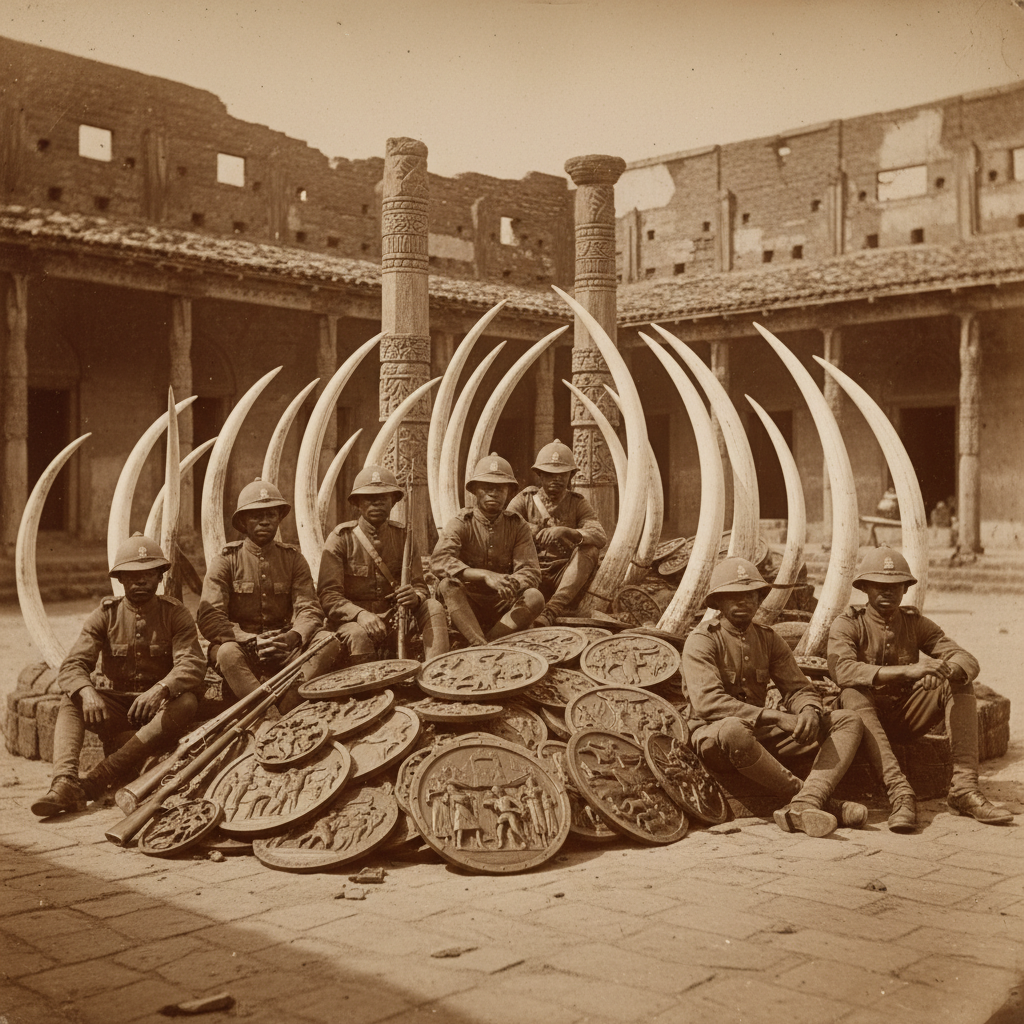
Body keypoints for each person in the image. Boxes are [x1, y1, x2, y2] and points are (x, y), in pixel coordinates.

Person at [828, 547, 1012, 830]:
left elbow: (967, 659)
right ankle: (900, 794)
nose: (887, 591)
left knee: (959, 681)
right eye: (879, 585)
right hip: (861, 724)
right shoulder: (849, 623)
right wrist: (908, 670)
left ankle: (964, 789)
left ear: (905, 589)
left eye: (895, 585)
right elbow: (842, 670)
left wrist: (942, 671)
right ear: (864, 587)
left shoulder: (915, 623)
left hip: (905, 716)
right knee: (852, 692)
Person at [682, 556, 867, 838]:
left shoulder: (768, 638)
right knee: (733, 728)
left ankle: (807, 802)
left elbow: (799, 688)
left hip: (758, 735)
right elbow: (708, 703)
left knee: (847, 720)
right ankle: (814, 800)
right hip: (713, 738)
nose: (744, 601)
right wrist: (776, 716)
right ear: (717, 602)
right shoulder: (703, 640)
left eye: (751, 594)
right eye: (734, 595)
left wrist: (808, 711)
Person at [31, 534, 206, 817]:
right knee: (71, 699)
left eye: (147, 573)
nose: (139, 581)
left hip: (157, 711)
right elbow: (73, 664)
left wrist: (162, 688)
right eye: (131, 575)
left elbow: (192, 664)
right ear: (121, 580)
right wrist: (87, 692)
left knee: (187, 702)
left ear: (160, 577)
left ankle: (97, 779)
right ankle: (64, 782)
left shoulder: (175, 614)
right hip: (116, 708)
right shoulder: (105, 615)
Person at [198, 479, 339, 714]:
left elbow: (309, 609)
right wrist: (249, 640)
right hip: (243, 649)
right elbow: (210, 618)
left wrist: (293, 637)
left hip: (284, 647)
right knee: (225, 652)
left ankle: (287, 701)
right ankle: (268, 711)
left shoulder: (293, 559)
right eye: (256, 516)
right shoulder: (225, 561)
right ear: (243, 522)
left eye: (271, 515)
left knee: (329, 641)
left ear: (279, 518)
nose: (265, 521)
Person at [317, 465, 448, 664]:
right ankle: (368, 689)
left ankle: (436, 672)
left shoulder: (405, 536)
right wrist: (360, 615)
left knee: (433, 607)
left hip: (397, 620)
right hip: (354, 623)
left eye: (384, 497)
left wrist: (416, 596)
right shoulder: (341, 539)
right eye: (369, 498)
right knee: (357, 635)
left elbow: (420, 586)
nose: (377, 503)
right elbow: (328, 595)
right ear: (357, 503)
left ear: (393, 502)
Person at [431, 453, 544, 646]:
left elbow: (530, 571)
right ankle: (479, 644)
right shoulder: (461, 523)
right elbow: (440, 561)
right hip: (467, 603)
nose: (494, 493)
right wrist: (484, 575)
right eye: (487, 487)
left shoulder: (518, 525)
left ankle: (490, 643)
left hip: (502, 602)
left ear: (509, 491)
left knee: (534, 597)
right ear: (475, 490)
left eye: (500, 488)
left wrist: (511, 582)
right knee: (447, 586)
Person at [506, 439, 607, 626]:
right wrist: (531, 529)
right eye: (550, 474)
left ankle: (551, 610)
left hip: (565, 576)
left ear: (571, 475)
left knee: (590, 549)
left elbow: (599, 536)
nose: (557, 479)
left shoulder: (577, 502)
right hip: (528, 571)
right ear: (539, 475)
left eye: (563, 474)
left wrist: (567, 532)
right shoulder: (525, 499)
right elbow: (505, 525)